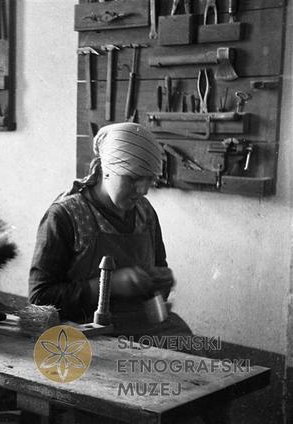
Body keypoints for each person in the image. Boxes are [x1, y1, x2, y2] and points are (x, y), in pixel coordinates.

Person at [29, 122, 191, 339]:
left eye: (150, 180)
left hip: (142, 326)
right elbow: (40, 299)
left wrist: (160, 281)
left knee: (189, 350)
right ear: (107, 170)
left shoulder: (145, 213)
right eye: (133, 179)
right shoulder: (66, 216)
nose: (143, 191)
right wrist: (108, 285)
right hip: (85, 332)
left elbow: (159, 269)